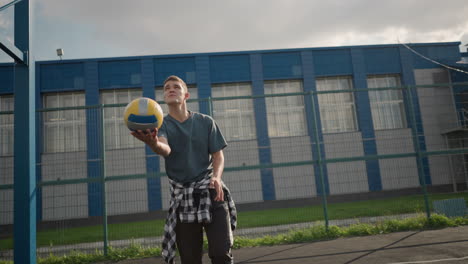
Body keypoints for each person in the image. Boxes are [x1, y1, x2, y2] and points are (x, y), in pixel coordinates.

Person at [131, 75, 237, 264]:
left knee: (221, 254)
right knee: (190, 259)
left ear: (186, 95)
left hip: (210, 191)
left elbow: (218, 155)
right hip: (183, 197)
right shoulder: (161, 125)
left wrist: (217, 177)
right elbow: (165, 149)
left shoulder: (206, 122)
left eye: (176, 87)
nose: (170, 89)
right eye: (166, 88)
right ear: (164, 97)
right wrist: (153, 142)